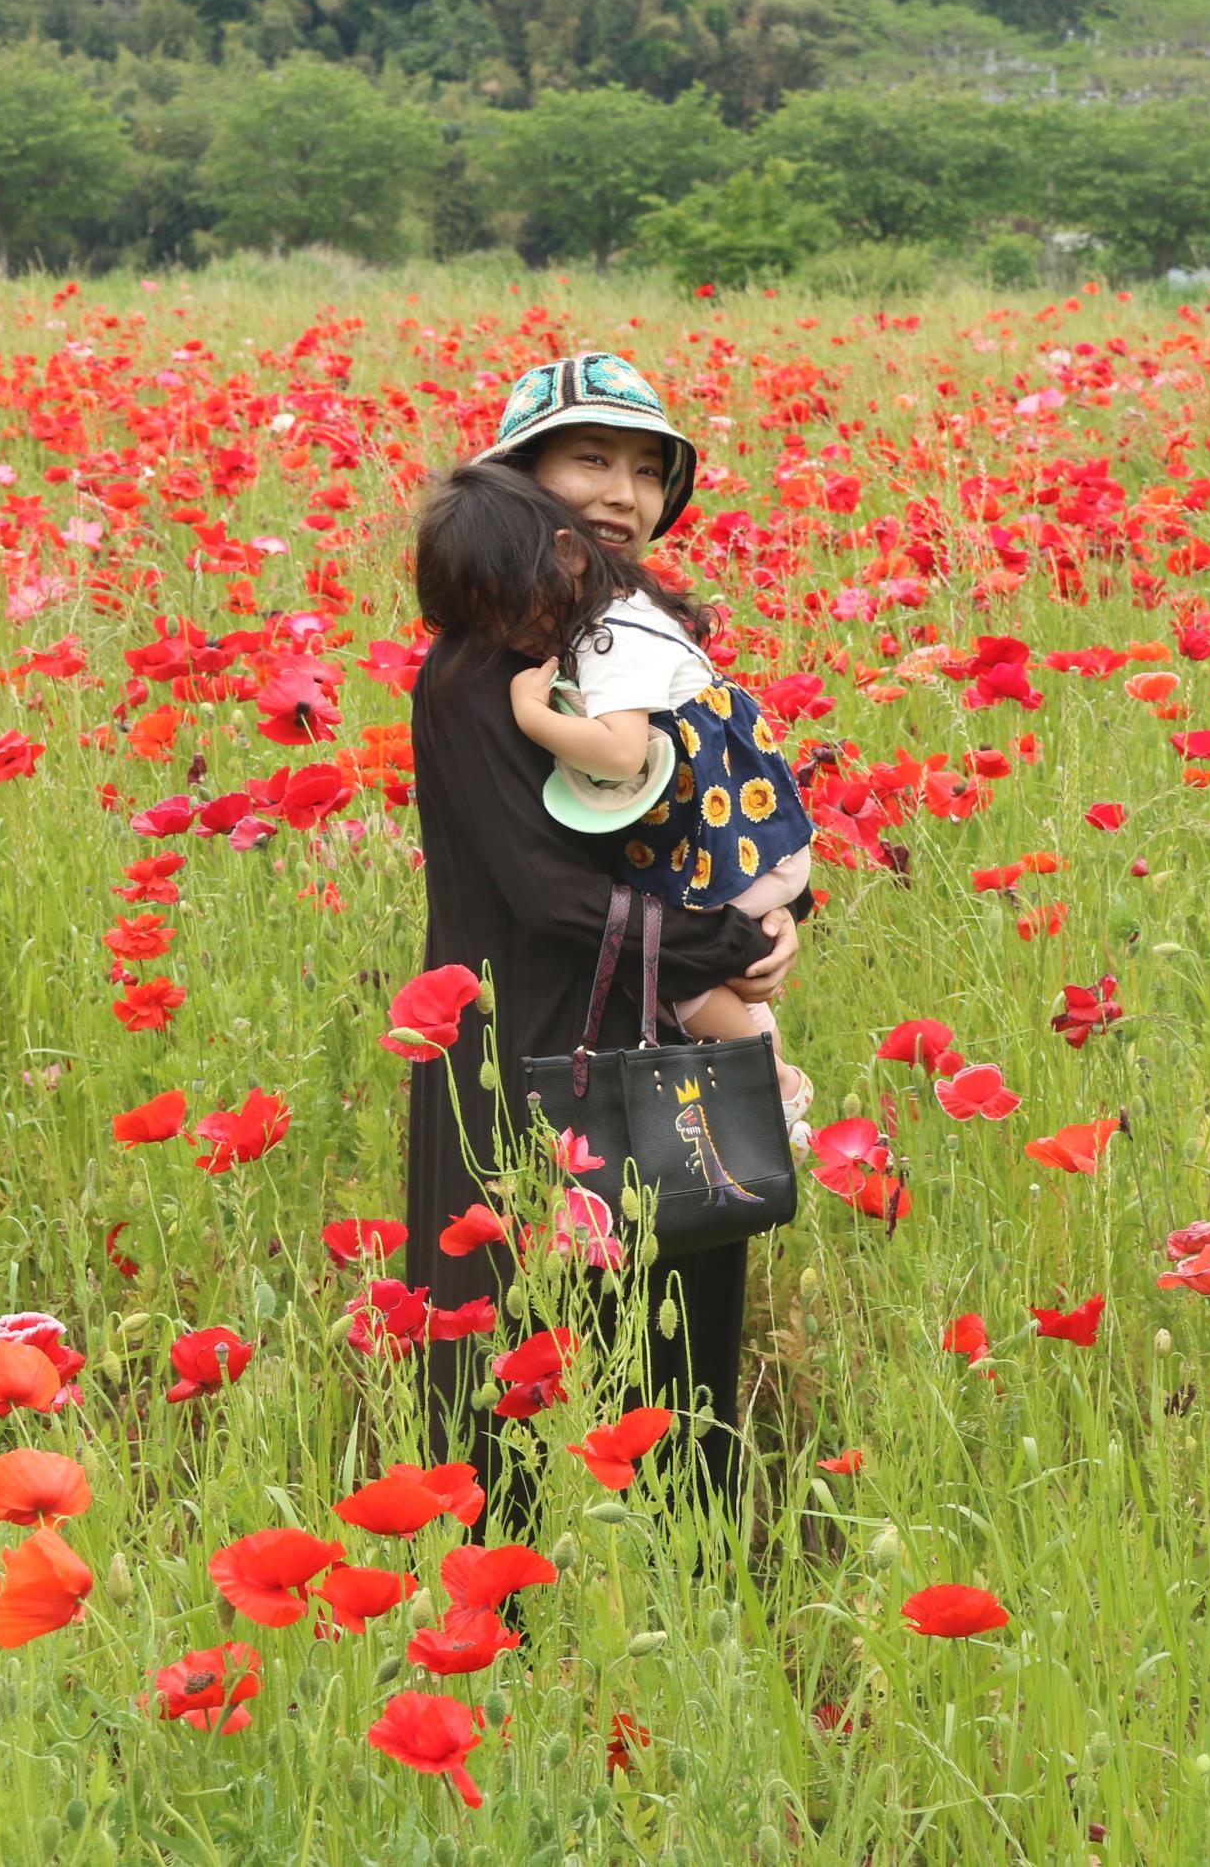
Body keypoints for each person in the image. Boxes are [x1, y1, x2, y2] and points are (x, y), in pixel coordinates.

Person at [401, 350, 806, 1535]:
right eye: (589, 458)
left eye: (645, 469)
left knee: (678, 1365)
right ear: (520, 476)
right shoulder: (480, 669)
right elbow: (547, 901)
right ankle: (506, 1634)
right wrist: (719, 946)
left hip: (663, 1041)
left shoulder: (628, 658)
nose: (621, 492)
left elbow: (713, 807)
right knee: (514, 1368)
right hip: (516, 1049)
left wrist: (761, 925)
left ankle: (685, 1616)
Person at [502, 488, 817, 1140]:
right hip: (758, 843)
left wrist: (532, 716)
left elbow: (620, 753)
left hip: (721, 853)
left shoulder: (606, 636)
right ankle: (771, 1081)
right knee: (701, 972)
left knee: (676, 981)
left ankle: (772, 1081)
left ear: (567, 556)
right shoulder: (634, 609)